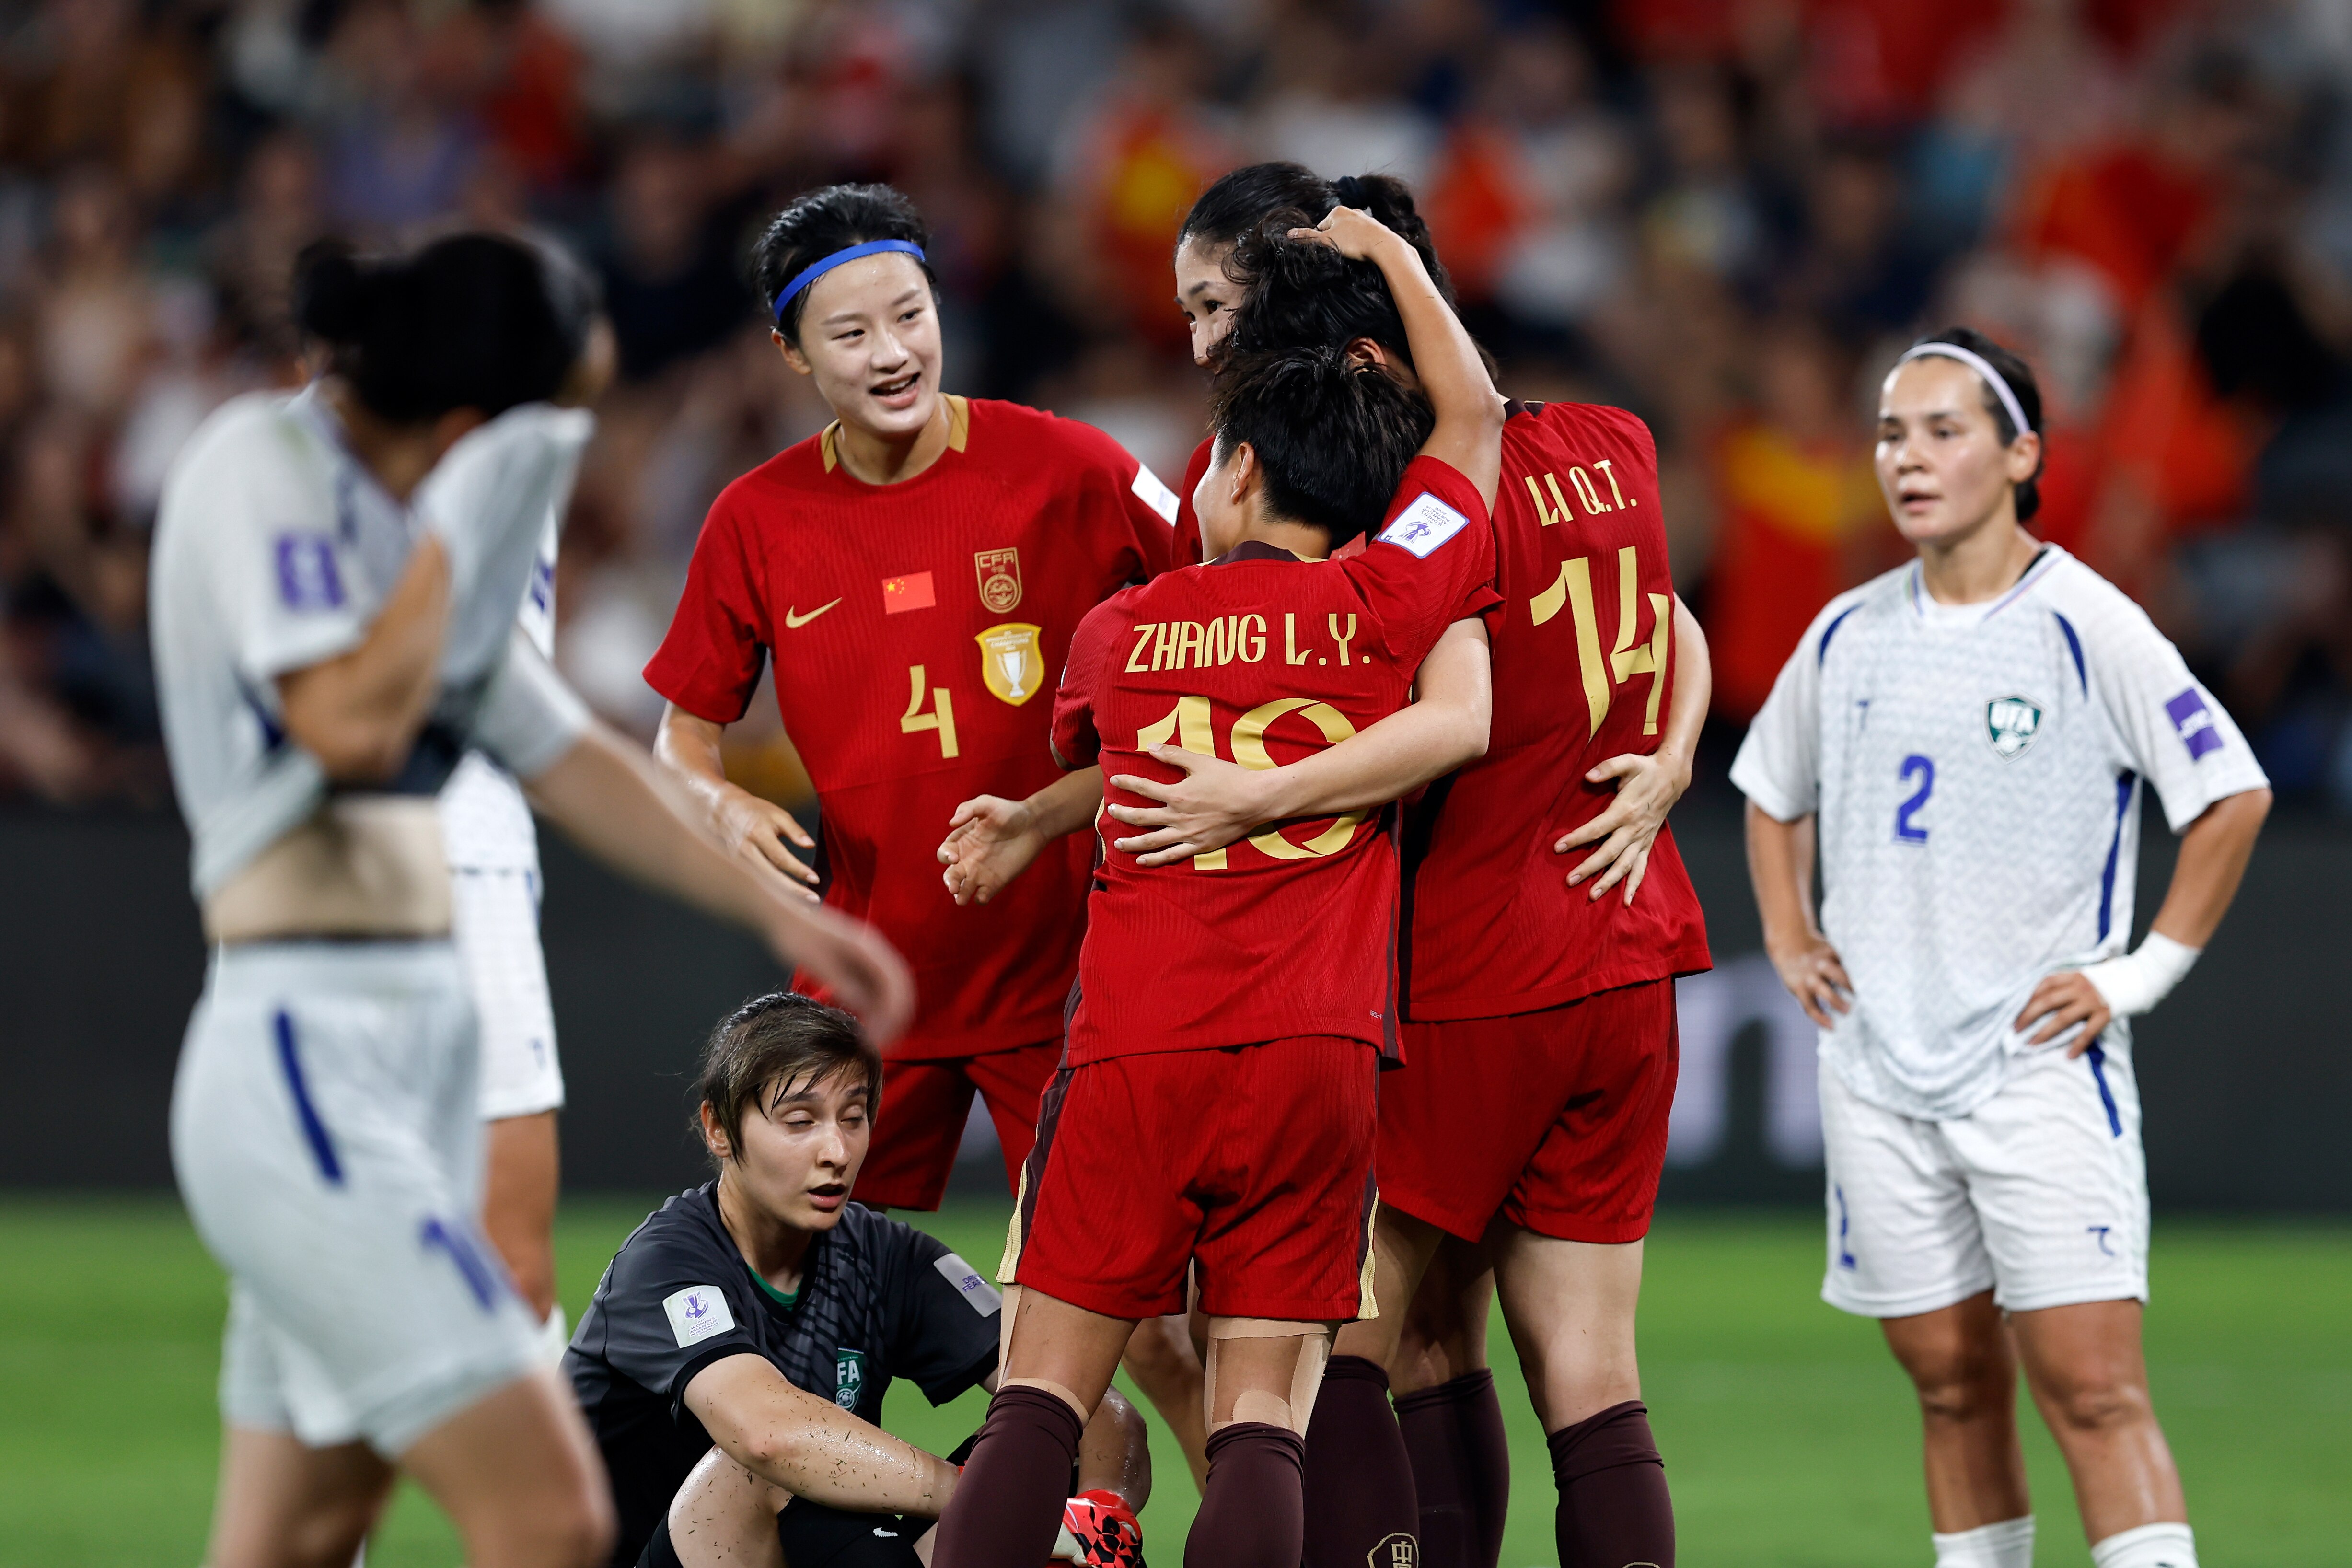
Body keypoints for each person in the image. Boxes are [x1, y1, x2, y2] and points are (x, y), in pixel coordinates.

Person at [154, 233, 910, 1568]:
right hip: (308, 1052)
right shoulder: (259, 468)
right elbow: (345, 722)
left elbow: (552, 742)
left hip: (411, 1037)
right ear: (471, 420)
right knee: (552, 1514)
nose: (562, 455)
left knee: (309, 1526)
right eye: (551, 422)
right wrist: (476, 515)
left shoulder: (421, 515)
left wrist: (786, 912)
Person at [1104, 184, 1715, 1568]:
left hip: (1472, 961)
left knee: (1338, 1333)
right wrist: (1673, 750)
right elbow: (1669, 612)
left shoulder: (1408, 509)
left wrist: (1246, 790)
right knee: (1580, 1363)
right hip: (1630, 945)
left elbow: (1445, 715)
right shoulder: (1615, 441)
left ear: (1379, 343)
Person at [930, 203, 1504, 1568]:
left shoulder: (1121, 632)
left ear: (1238, 470)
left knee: (1040, 1395)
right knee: (1260, 1417)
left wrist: (1028, 819)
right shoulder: (1382, 607)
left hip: (1135, 1050)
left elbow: (1125, 760)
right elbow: (1473, 425)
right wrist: (1398, 265)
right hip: (1314, 1056)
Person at [640, 181, 1199, 1477]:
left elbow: (1227, 609)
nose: (891, 351)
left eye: (909, 313)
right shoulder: (757, 518)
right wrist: (718, 796)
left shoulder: (1074, 465)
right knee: (807, 1332)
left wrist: (1088, 795)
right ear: (790, 354)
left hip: (1066, 976)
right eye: (849, 333)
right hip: (867, 987)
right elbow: (681, 738)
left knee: (1155, 1329)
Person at [1732, 328, 2271, 1568]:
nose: (1905, 458)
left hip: (2034, 1068)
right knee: (1943, 1379)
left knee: (2090, 1385)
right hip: (1875, 1071)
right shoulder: (1847, 633)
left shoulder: (2088, 624)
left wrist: (2138, 972)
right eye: (1888, 431)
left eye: (1940, 430)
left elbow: (2230, 794)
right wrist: (1786, 925)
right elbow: (1770, 789)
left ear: (2021, 453)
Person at [566, 991, 1151, 1568]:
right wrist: (1005, 1508)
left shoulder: (886, 1255)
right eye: (800, 1121)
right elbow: (770, 1435)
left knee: (1041, 1442)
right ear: (718, 1129)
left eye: (854, 1118)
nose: (836, 1150)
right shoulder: (663, 1262)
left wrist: (1099, 1516)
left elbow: (1096, 1411)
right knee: (757, 1465)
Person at [437, 244, 615, 1361]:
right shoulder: (329, 461)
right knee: (331, 1258)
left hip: (482, 854)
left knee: (514, 1257)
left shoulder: (526, 462)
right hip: (375, 865)